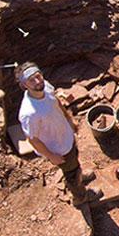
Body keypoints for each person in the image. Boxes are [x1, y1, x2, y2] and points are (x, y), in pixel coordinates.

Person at [16, 62, 97, 205]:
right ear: (24, 85)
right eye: (31, 80)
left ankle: (79, 175)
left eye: (38, 75)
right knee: (71, 173)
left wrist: (69, 120)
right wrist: (51, 156)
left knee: (75, 161)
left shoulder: (45, 86)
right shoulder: (29, 113)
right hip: (58, 149)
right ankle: (80, 196)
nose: (37, 81)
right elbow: (33, 139)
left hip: (66, 136)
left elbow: (56, 102)